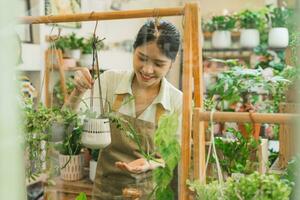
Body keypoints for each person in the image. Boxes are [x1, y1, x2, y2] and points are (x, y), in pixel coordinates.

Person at [65, 19, 182, 200]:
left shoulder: (176, 101)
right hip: (106, 191)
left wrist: (150, 163)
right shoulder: (111, 81)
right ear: (133, 50)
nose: (147, 69)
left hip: (149, 193)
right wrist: (77, 92)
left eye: (158, 64)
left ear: (172, 63)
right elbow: (66, 125)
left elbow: (174, 156)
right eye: (141, 58)